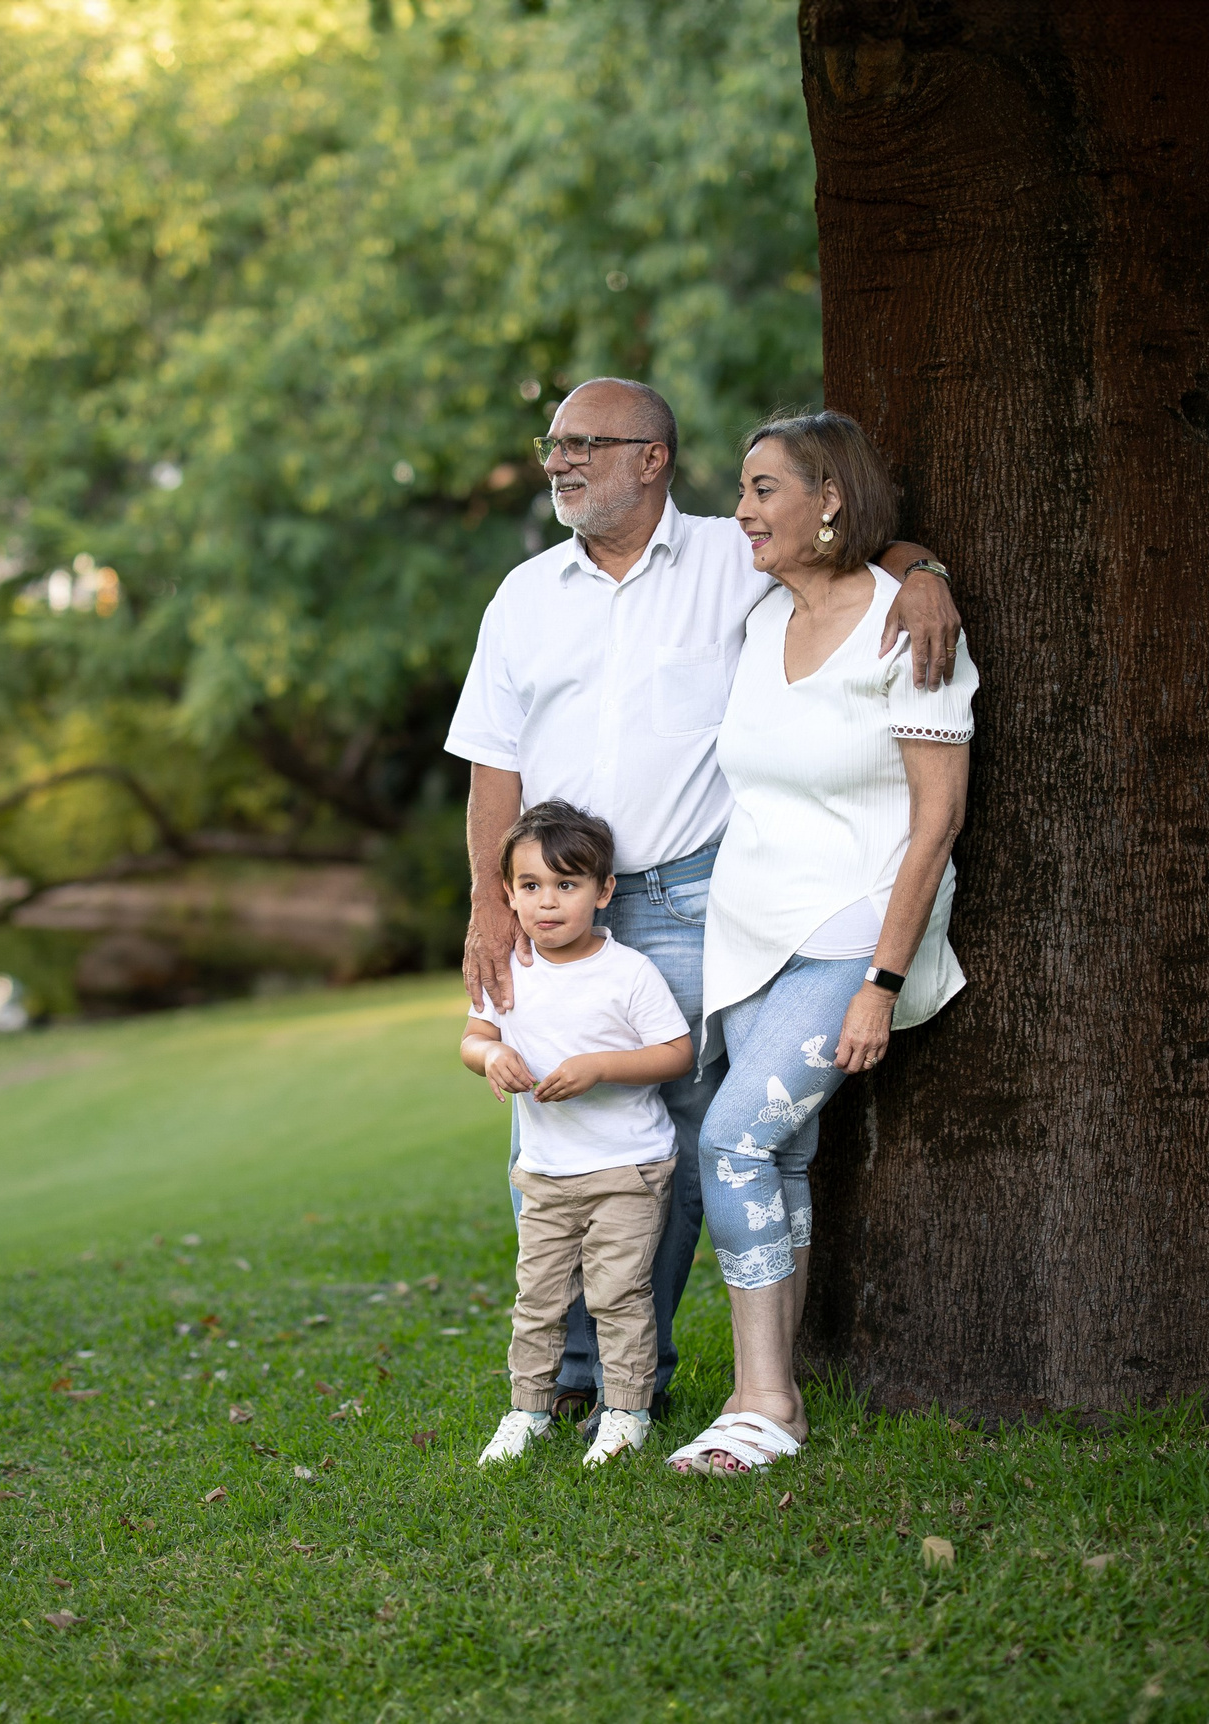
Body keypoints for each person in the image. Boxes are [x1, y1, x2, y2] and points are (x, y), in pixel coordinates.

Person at [445, 378, 963, 1436]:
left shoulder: (739, 558)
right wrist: (489, 910)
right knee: (546, 1123)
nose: (559, 460)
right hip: (549, 913)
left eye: (585, 443)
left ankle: (635, 1370)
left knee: (676, 1142)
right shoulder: (523, 595)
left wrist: (927, 574)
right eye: (554, 442)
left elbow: (860, 555)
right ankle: (571, 1369)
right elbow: (491, 769)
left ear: (651, 458)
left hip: (693, 900)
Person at [664, 409, 977, 1477]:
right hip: (750, 931)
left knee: (732, 1142)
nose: (740, 510)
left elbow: (935, 820)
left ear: (828, 498)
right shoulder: (759, 621)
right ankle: (770, 1386)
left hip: (853, 930)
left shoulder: (910, 622)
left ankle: (765, 1403)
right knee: (780, 1151)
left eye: (761, 490)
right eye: (742, 490)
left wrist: (881, 981)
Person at [462, 802, 694, 1467]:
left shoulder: (627, 974)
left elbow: (675, 1052)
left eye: (568, 885)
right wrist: (490, 1057)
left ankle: (626, 1411)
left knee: (619, 1296)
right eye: (531, 886)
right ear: (507, 893)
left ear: (604, 891)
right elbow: (475, 1036)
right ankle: (527, 1411)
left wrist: (600, 1068)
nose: (548, 902)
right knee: (536, 1300)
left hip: (627, 1170)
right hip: (545, 1171)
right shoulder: (510, 969)